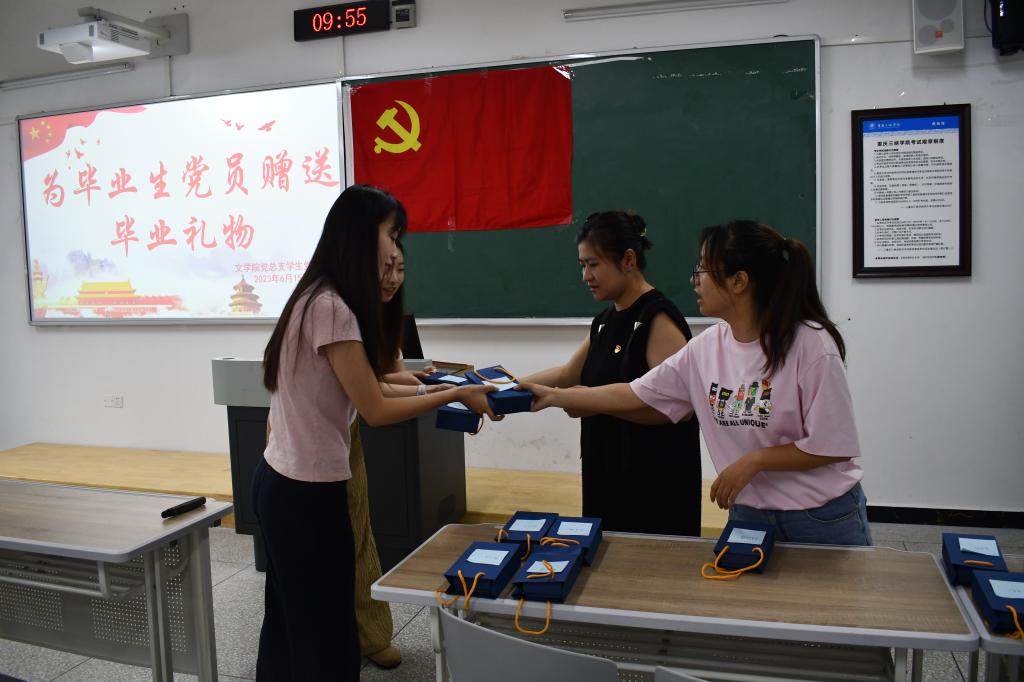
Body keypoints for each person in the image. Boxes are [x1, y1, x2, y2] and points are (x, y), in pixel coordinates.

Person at [254, 184, 497, 681]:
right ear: (361, 235)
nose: (396, 252)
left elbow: (375, 383)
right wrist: (454, 394)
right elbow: (377, 408)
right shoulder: (332, 308)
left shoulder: (318, 296)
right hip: (306, 496)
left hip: (283, 484)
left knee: (290, 624)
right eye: (393, 234)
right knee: (325, 634)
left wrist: (440, 384)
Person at [521, 220, 871, 546]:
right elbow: (635, 392)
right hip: (749, 514)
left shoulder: (811, 344)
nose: (694, 280)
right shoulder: (706, 347)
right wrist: (554, 396)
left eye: (703, 270)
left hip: (820, 516)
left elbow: (832, 445)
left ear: (738, 281)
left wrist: (755, 460)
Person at [520, 210, 701, 536]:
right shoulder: (604, 321)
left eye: (593, 264)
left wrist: (589, 401)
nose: (585, 276)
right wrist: (506, 386)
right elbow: (567, 376)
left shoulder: (657, 318)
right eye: (582, 265)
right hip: (606, 472)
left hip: (652, 486)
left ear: (628, 260)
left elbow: (678, 408)